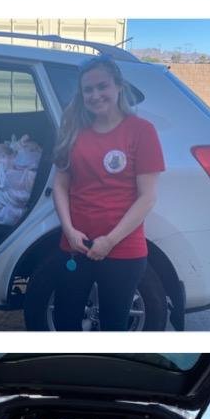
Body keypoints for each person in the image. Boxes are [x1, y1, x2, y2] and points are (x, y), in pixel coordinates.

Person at [51, 56, 165, 331]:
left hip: (123, 249)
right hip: (75, 245)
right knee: (65, 322)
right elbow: (60, 185)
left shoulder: (141, 131)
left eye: (102, 86)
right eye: (87, 90)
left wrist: (110, 241)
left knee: (114, 326)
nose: (95, 95)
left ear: (118, 88)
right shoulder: (74, 131)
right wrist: (69, 230)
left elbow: (147, 197)